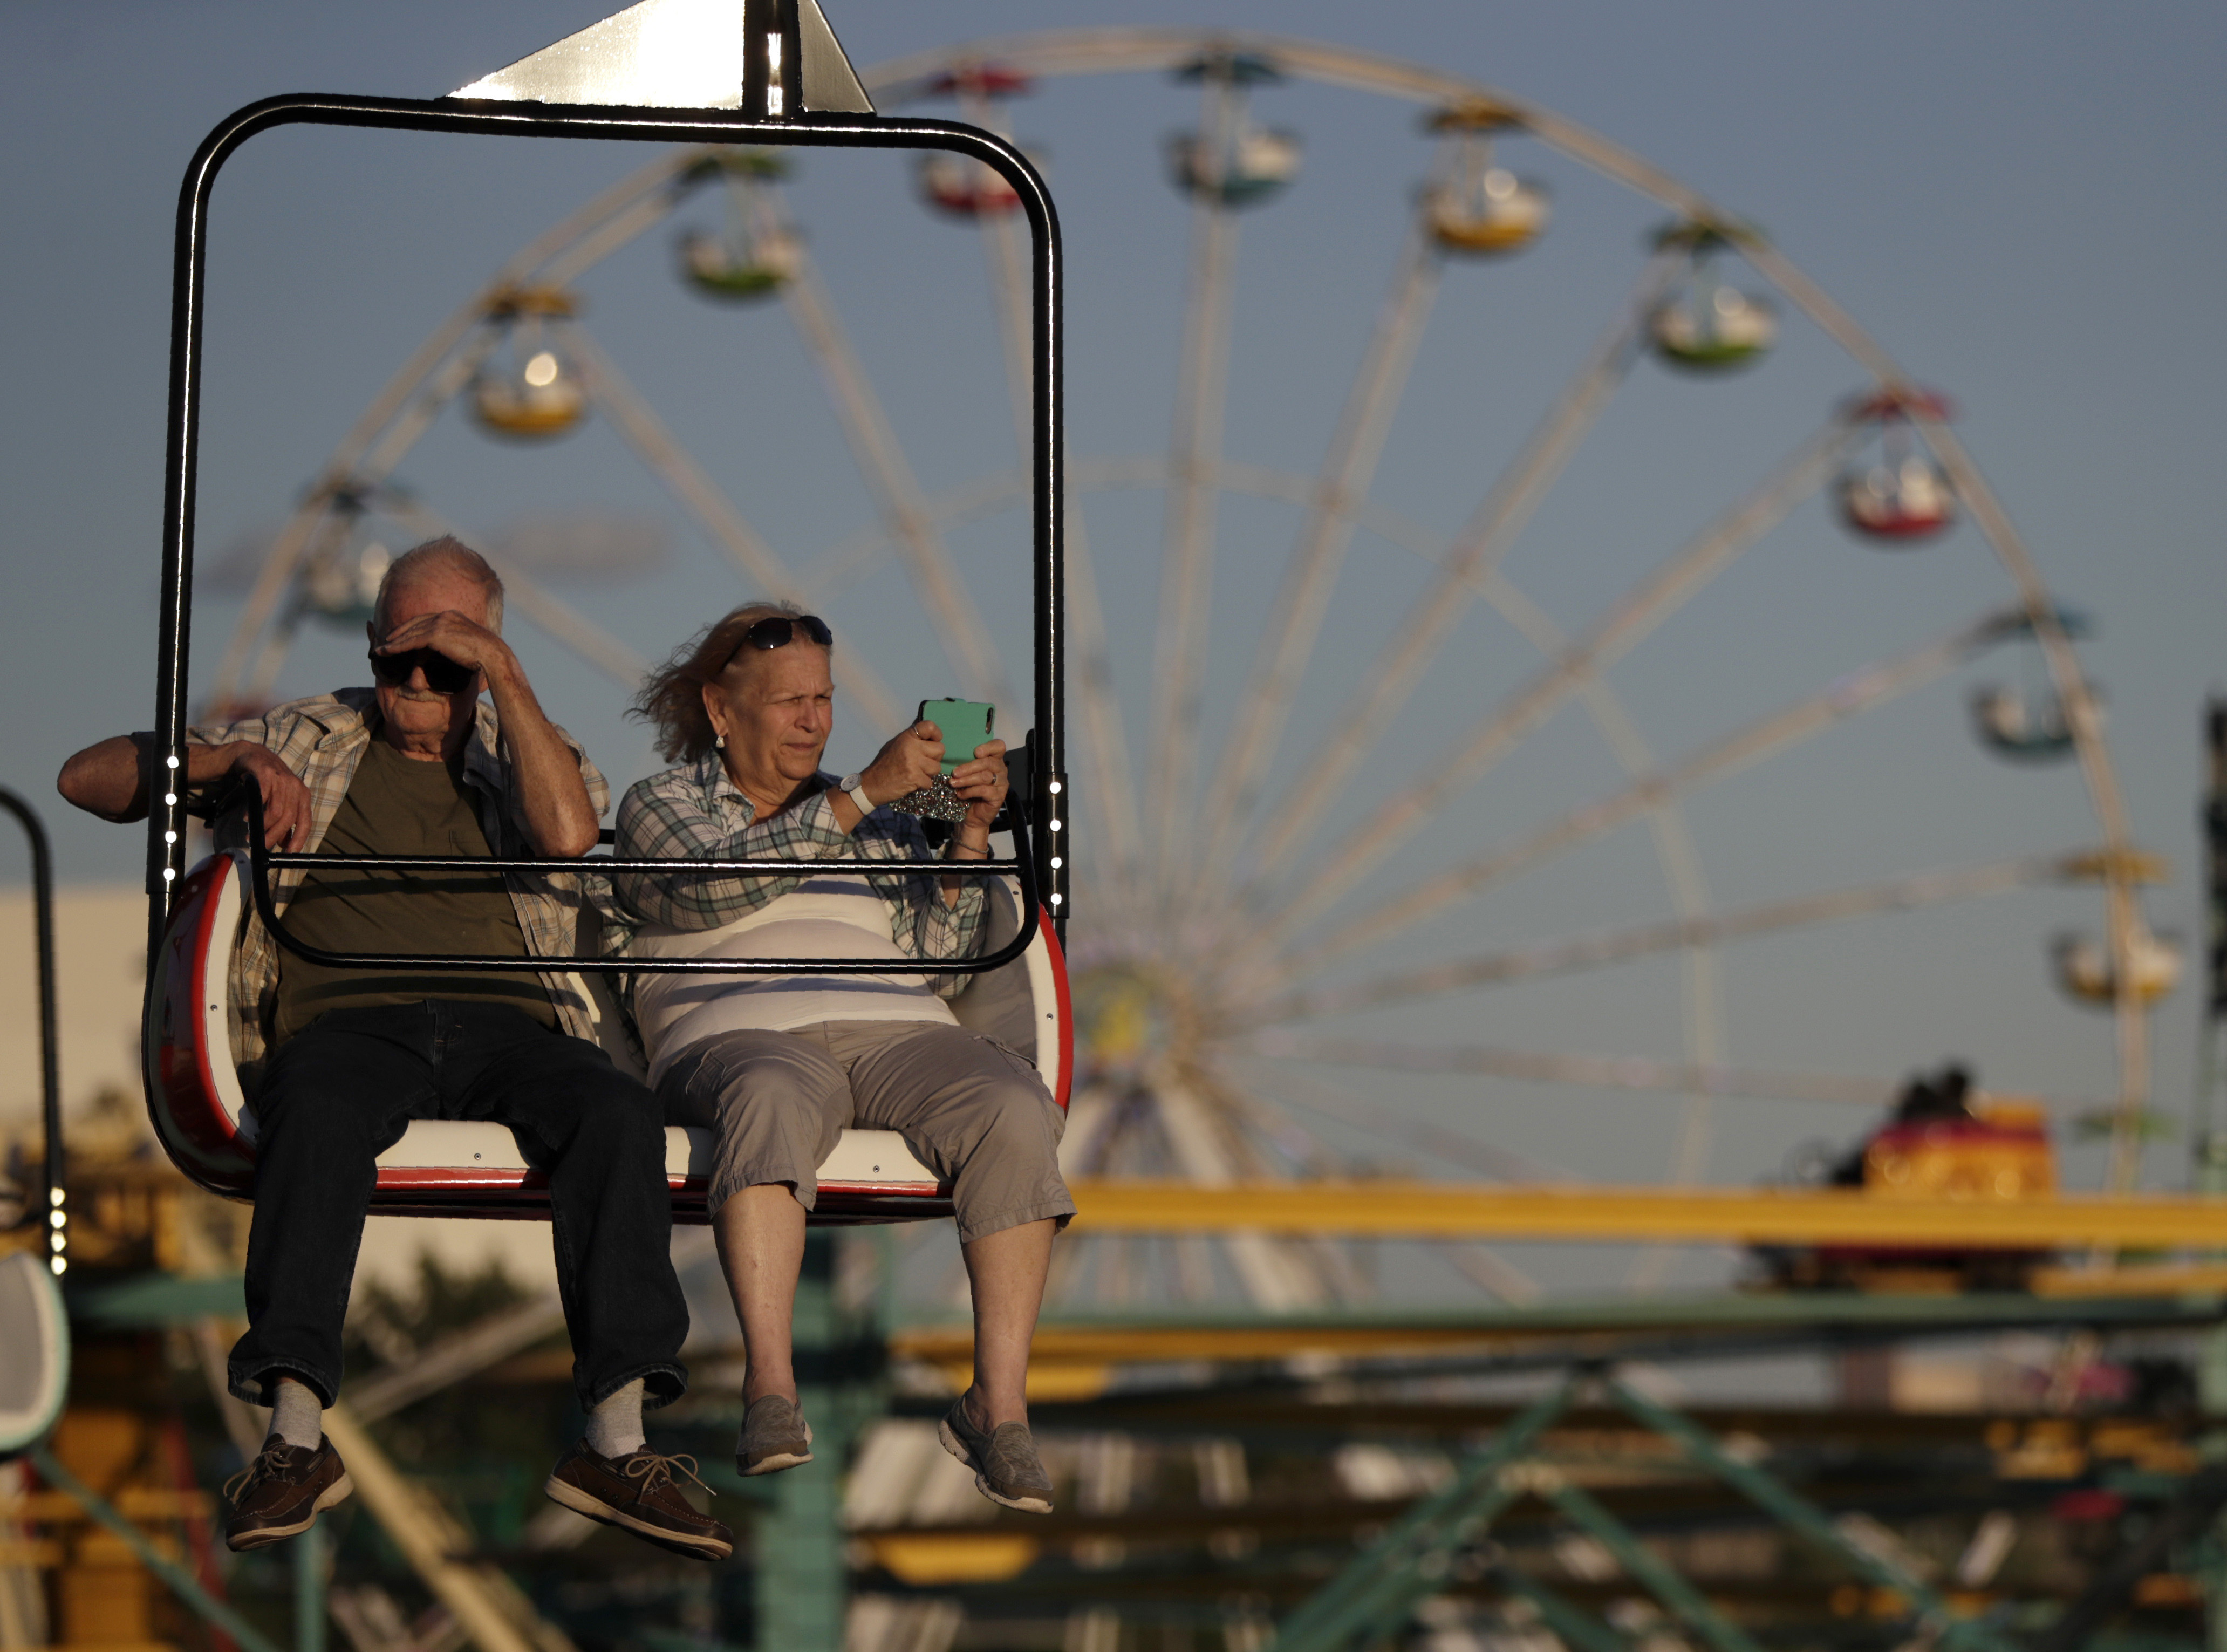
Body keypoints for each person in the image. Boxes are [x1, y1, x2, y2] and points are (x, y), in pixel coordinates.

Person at [57, 538, 729, 1560]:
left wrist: (505, 679)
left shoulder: (527, 749)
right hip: (348, 1018)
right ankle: (291, 1437)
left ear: (487, 661)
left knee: (616, 1114)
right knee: (316, 1112)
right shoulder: (305, 736)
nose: (418, 683)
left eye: (447, 661)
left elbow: (567, 834)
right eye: (398, 660)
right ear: (369, 651)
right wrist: (231, 761)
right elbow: (84, 779)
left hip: (511, 1025)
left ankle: (618, 1436)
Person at [608, 603, 1070, 1515]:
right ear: (719, 708)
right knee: (773, 1094)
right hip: (736, 1034)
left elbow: (940, 956)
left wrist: (969, 834)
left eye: (822, 698)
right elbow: (704, 894)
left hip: (894, 1028)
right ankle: (771, 1389)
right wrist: (858, 796)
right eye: (788, 702)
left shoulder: (884, 821)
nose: (815, 720)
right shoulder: (662, 805)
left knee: (1013, 1105)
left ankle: (997, 1406)